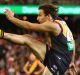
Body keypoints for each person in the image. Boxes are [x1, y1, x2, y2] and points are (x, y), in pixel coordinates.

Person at [0, 4, 75, 75]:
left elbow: (28, 26)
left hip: (59, 62)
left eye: (40, 15)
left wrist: (11, 18)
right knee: (27, 38)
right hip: (54, 54)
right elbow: (72, 41)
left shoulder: (53, 25)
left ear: (48, 16)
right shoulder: (60, 21)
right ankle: (2, 34)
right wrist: (72, 61)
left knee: (27, 39)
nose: (37, 18)